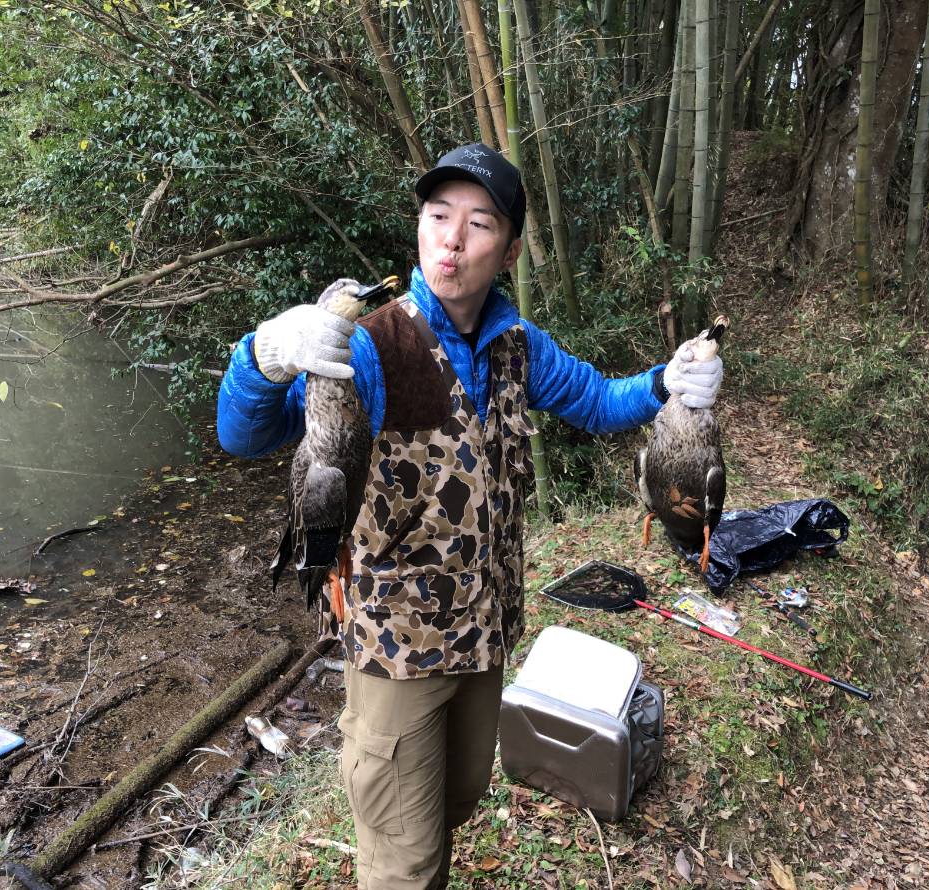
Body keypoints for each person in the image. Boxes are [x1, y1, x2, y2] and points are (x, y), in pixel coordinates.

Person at [216, 143, 722, 889]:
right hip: (398, 648)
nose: (452, 238)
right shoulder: (371, 349)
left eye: (478, 223)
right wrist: (263, 356)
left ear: (509, 249)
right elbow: (244, 433)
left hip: (484, 633)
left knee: (458, 798)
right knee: (403, 858)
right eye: (437, 216)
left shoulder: (516, 345)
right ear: (419, 230)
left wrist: (666, 381)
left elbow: (597, 400)